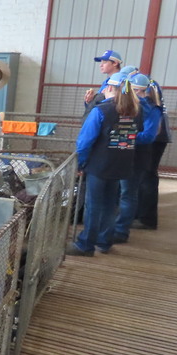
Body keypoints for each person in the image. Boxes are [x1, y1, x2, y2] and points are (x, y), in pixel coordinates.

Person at [67, 72, 141, 256]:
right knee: (110, 204)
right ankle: (105, 241)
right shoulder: (136, 111)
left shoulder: (101, 110)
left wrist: (80, 164)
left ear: (108, 88)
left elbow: (85, 142)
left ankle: (86, 244)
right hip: (121, 164)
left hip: (99, 165)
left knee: (93, 205)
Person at [112, 73, 160, 244]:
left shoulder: (151, 109)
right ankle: (115, 227)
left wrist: (123, 136)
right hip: (122, 154)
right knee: (121, 193)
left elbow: (148, 136)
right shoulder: (129, 106)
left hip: (136, 157)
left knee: (127, 194)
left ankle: (120, 231)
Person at [133, 76, 171, 230]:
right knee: (146, 178)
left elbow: (149, 133)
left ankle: (147, 218)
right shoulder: (152, 98)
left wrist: (127, 138)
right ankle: (142, 215)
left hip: (152, 142)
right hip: (156, 140)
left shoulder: (150, 106)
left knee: (147, 178)